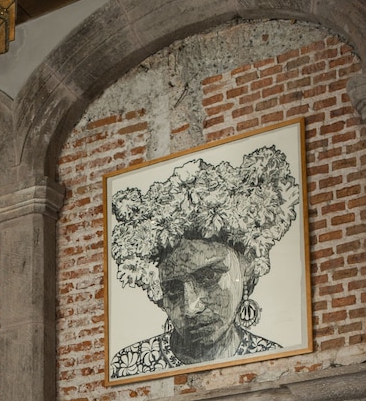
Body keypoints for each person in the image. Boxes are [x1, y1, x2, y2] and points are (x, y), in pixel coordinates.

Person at [109, 144, 300, 379]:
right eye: (173, 290)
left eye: (209, 277)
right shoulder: (129, 366)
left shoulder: (274, 364)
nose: (191, 307)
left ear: (248, 265)